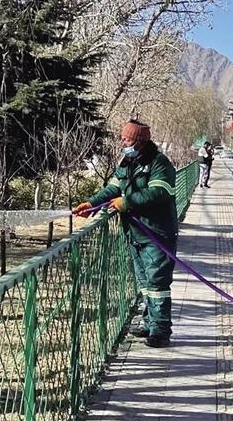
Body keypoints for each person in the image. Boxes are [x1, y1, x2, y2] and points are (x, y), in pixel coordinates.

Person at [72, 120, 178, 348]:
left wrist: (127, 202)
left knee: (157, 282)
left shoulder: (159, 163)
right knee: (144, 282)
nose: (123, 143)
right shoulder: (126, 162)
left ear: (140, 141)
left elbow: (159, 192)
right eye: (122, 138)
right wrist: (91, 203)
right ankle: (149, 323)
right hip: (135, 233)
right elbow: (113, 188)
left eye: (127, 139)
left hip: (156, 234)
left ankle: (160, 331)